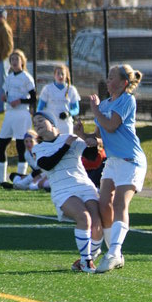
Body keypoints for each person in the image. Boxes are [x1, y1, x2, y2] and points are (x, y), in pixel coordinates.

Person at [74, 63, 147, 274]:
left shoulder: (127, 100)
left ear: (124, 83)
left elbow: (112, 125)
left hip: (131, 160)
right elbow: (99, 138)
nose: (107, 81)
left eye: (112, 77)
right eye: (107, 77)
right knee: (104, 204)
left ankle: (113, 252)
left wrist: (96, 110)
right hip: (113, 161)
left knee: (119, 203)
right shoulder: (105, 104)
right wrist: (82, 135)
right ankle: (114, 253)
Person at [32, 111, 103, 273]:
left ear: (52, 123)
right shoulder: (38, 148)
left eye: (41, 120)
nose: (37, 125)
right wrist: (66, 146)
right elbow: (48, 164)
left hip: (84, 186)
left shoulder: (70, 138)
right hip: (63, 190)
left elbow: (92, 156)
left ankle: (88, 258)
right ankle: (86, 262)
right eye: (35, 123)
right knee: (84, 217)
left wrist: (85, 137)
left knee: (97, 222)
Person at [0, 49, 36, 187]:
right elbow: (7, 94)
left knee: (21, 147)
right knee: (1, 145)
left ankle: (20, 180)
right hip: (9, 114)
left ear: (22, 61)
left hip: (22, 115)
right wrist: (5, 97)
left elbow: (33, 98)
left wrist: (20, 101)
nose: (14, 62)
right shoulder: (9, 77)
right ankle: (0, 179)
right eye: (12, 59)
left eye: (16, 59)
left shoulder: (26, 77)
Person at [37, 63, 80, 134]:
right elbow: (39, 108)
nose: (60, 76)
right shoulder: (47, 89)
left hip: (66, 125)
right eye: (58, 74)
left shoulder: (71, 89)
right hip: (51, 125)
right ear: (54, 75)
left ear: (66, 75)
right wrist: (43, 120)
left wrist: (68, 113)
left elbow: (76, 109)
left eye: (63, 74)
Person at [0, 7, 14, 113]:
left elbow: (9, 47)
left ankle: (2, 107)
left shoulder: (5, 28)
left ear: (4, 17)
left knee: (1, 85)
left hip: (1, 61)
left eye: (0, 16)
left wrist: (0, 57)